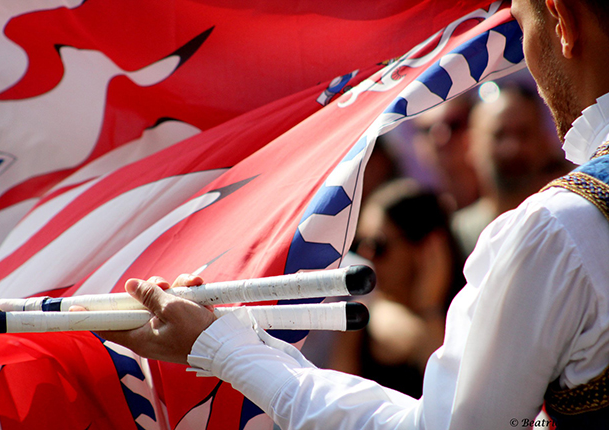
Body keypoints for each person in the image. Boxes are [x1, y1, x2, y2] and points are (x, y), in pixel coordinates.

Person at [97, 0, 609, 428]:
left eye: (520, 22)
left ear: (561, 21)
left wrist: (223, 349)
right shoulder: (561, 227)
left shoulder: (557, 229)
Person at [326, 179, 465, 399]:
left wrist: (429, 306)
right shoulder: (361, 310)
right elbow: (338, 399)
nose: (365, 258)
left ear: (426, 248)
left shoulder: (467, 311)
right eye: (360, 244)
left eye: (378, 246)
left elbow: (450, 397)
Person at [452, 81, 573, 256]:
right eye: (499, 135)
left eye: (523, 134)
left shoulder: (572, 221)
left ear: (545, 142)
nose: (512, 148)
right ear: (470, 145)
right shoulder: (454, 241)